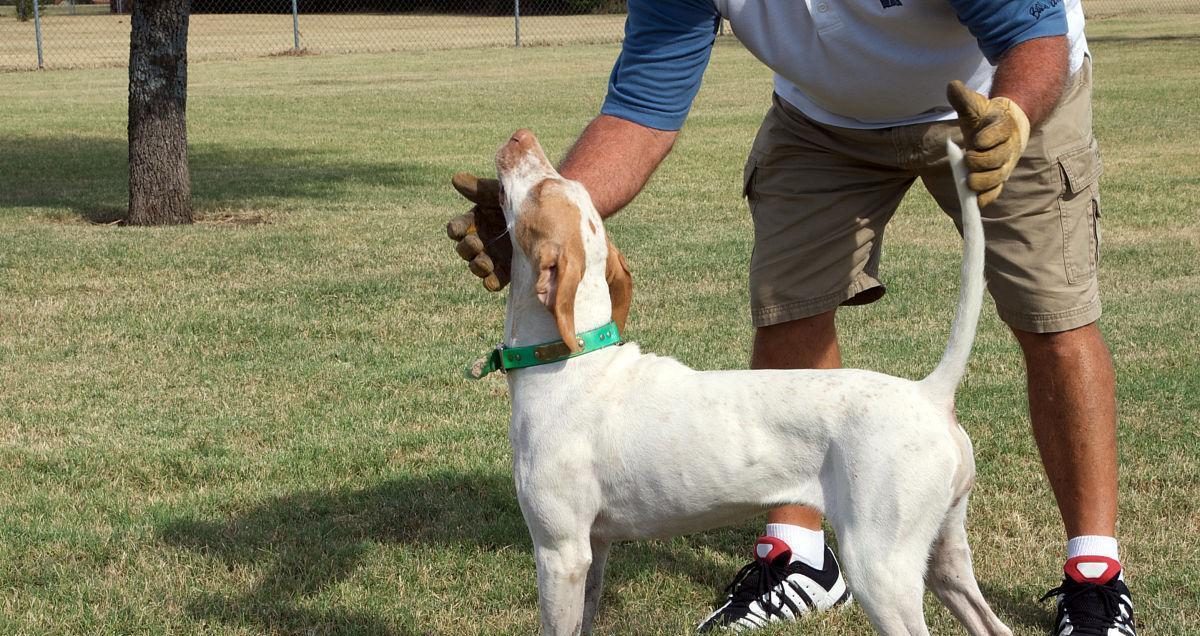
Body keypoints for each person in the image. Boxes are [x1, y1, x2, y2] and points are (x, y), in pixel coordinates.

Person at [447, 1, 1135, 633]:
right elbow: (642, 106)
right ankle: (800, 556)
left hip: (1002, 80)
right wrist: (542, 233)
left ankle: (1095, 573)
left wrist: (1012, 113)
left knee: (1055, 315)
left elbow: (1031, 29)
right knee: (788, 311)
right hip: (823, 115)